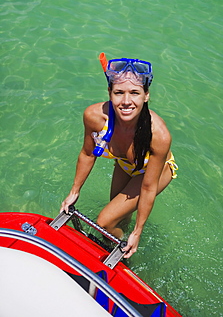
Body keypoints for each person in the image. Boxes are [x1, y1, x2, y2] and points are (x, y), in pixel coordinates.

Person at [60, 54, 178, 258]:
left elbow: (148, 187)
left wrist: (137, 232)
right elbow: (88, 154)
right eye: (119, 92)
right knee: (118, 218)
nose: (126, 101)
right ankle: (116, 238)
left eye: (134, 93)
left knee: (104, 221)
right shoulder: (94, 117)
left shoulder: (158, 134)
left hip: (155, 172)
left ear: (146, 95)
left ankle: (121, 247)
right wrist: (74, 192)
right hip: (125, 164)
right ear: (109, 92)